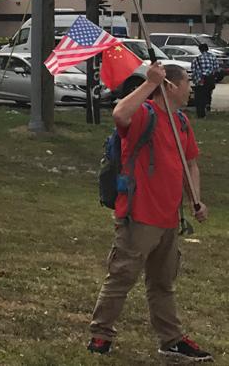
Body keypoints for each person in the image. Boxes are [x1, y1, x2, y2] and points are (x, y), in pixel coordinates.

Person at [88, 62, 212, 361]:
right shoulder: (145, 114)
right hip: (139, 215)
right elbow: (120, 114)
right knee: (121, 277)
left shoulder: (181, 121)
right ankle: (101, 335)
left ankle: (171, 340)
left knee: (162, 283)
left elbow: (190, 163)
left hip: (169, 217)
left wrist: (195, 198)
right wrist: (148, 83)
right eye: (186, 83)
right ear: (171, 86)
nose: (190, 88)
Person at [190, 43, 218, 119]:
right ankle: (208, 104)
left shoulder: (197, 59)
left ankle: (201, 113)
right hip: (210, 80)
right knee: (208, 93)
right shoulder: (213, 57)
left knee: (199, 97)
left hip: (201, 80)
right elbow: (216, 69)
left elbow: (193, 69)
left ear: (200, 50)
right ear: (207, 49)